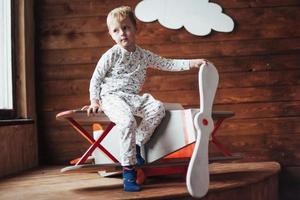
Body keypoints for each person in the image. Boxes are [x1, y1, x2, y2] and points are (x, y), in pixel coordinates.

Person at [85, 6, 208, 192]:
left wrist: (192, 63)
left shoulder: (143, 55)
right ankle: (128, 173)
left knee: (157, 108)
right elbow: (96, 78)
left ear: (135, 28)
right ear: (111, 35)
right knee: (127, 122)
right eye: (116, 31)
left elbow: (167, 63)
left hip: (132, 98)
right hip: (111, 97)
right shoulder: (111, 55)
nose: (122, 33)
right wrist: (95, 100)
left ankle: (136, 144)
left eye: (126, 28)